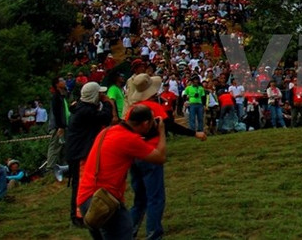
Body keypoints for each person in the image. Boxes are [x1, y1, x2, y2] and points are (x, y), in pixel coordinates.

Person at [125, 72, 206, 240]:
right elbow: (170, 125)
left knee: (139, 199)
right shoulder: (153, 107)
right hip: (151, 153)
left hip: (134, 155)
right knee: (155, 197)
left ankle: (128, 233)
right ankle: (153, 234)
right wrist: (194, 133)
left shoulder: (131, 110)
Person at [77, 104, 167, 240]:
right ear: (145, 123)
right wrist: (161, 131)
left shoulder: (106, 132)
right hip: (106, 201)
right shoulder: (130, 139)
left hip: (86, 197)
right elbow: (160, 158)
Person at [66, 81, 114, 228]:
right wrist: (107, 103)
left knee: (84, 183)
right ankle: (78, 216)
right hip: (79, 153)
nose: (102, 95)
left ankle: (83, 213)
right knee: (80, 184)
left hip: (79, 151)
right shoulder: (85, 111)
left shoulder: (82, 107)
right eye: (99, 93)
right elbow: (105, 117)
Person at [47, 76, 71, 181]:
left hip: (63, 126)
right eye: (62, 80)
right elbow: (56, 113)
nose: (64, 82)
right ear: (57, 84)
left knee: (64, 148)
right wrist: (60, 126)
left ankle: (64, 168)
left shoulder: (62, 96)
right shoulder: (56, 97)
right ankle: (50, 168)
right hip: (58, 127)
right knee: (55, 146)